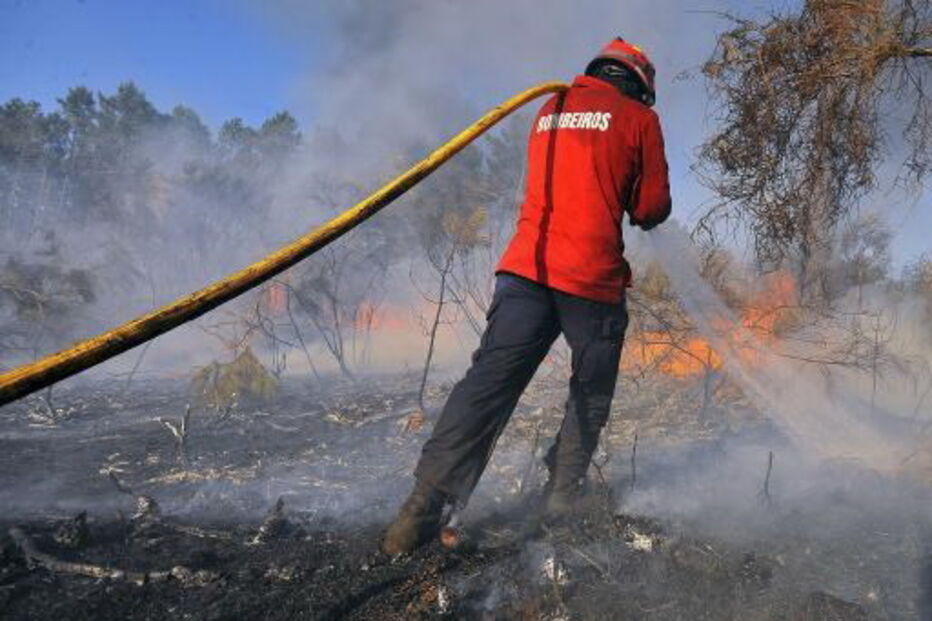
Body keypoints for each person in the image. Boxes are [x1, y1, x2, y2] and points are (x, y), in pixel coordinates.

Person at [382, 37, 672, 555]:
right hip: (591, 279)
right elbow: (651, 208)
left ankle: (422, 506)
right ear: (637, 84)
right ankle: (561, 499)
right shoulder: (637, 120)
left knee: (490, 382)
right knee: (591, 388)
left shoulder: (548, 109)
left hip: (524, 270)